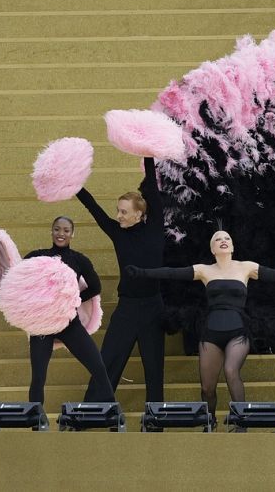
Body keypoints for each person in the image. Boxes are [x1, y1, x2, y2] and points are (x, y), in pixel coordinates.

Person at [126, 230, 275, 429]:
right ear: (213, 249)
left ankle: (242, 420)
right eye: (218, 239)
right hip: (211, 332)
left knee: (230, 369)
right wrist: (141, 273)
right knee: (207, 387)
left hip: (238, 330)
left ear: (233, 247)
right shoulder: (204, 270)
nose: (223, 241)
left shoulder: (246, 267)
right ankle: (210, 422)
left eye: (227, 238)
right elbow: (171, 273)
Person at [77, 158, 166, 403]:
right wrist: (74, 185)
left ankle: (155, 420)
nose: (119, 216)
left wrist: (147, 153)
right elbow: (93, 209)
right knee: (108, 360)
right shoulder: (117, 232)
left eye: (124, 211)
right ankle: (92, 412)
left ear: (139, 214)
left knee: (154, 367)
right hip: (126, 308)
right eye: (118, 210)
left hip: (153, 308)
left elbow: (153, 187)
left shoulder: (155, 226)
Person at [23, 216, 115, 405]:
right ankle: (35, 423)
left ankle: (113, 413)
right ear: (51, 231)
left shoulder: (79, 259)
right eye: (57, 229)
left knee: (98, 367)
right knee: (38, 377)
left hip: (69, 323)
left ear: (72, 234)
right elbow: (20, 282)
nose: (61, 234)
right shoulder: (37, 256)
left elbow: (96, 287)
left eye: (66, 230)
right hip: (43, 325)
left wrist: (72, 301)